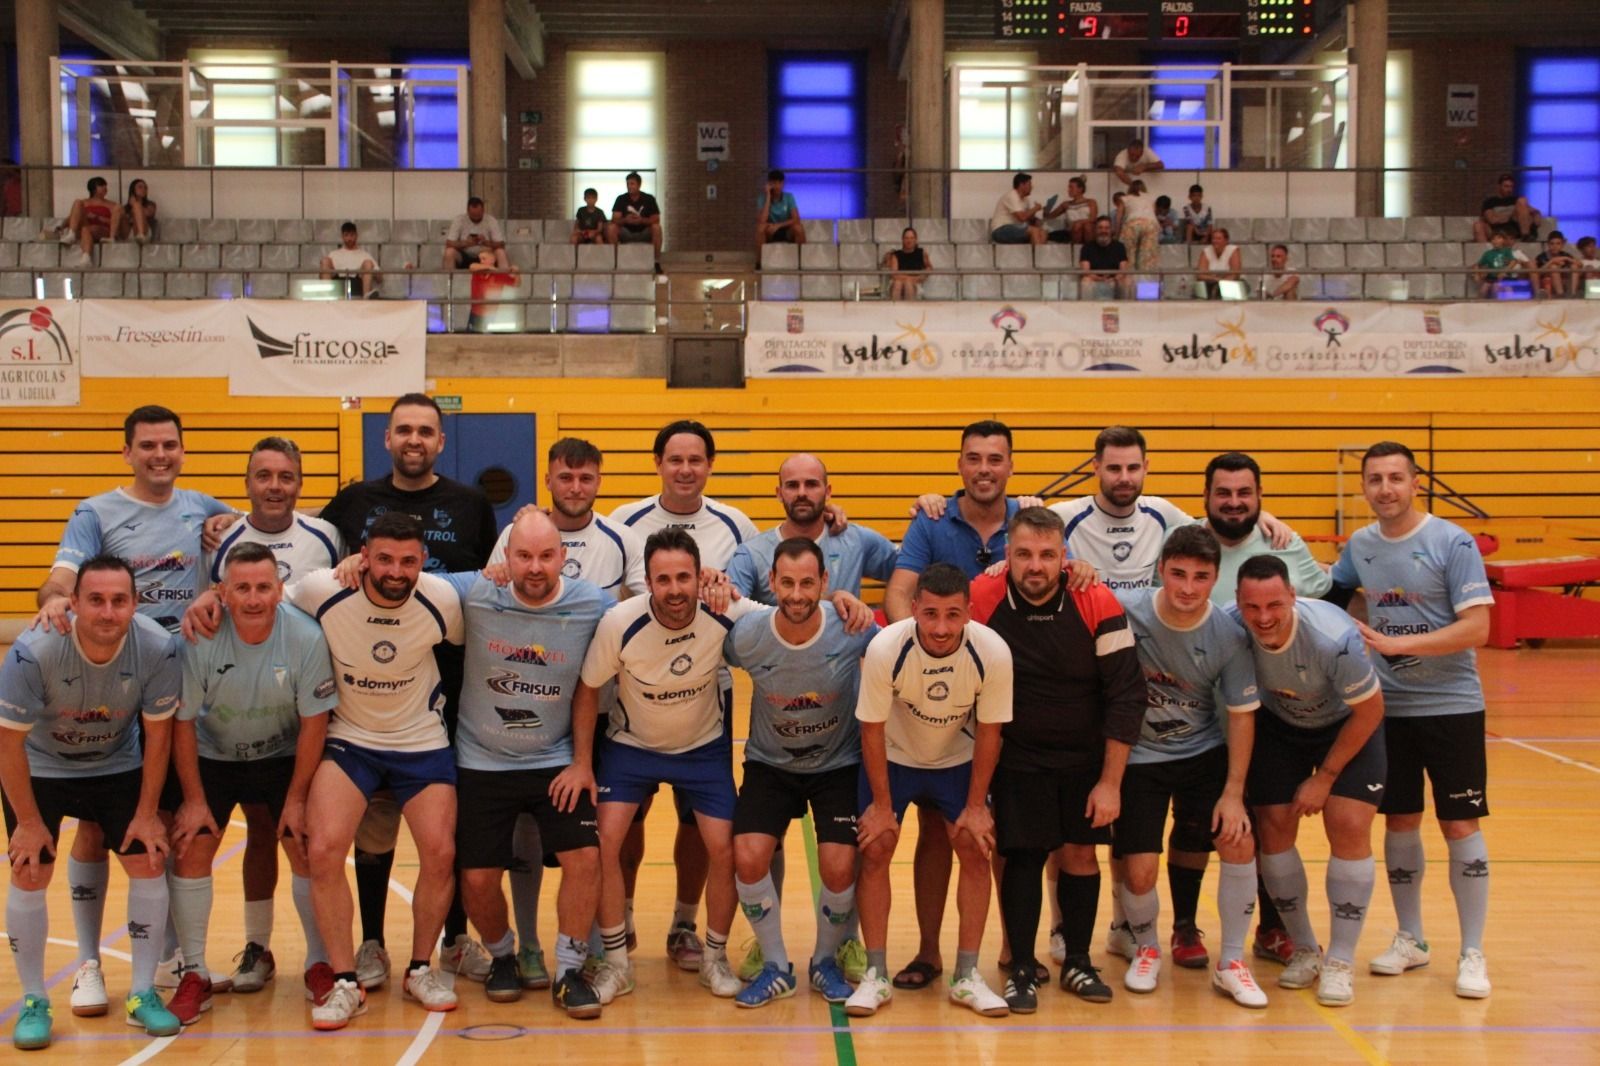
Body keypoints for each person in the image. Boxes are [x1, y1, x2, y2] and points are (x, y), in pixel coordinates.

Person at [315, 393, 497, 992]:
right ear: (387, 439)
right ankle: (368, 945)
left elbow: (491, 583)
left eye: (426, 431)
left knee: (443, 840)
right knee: (371, 834)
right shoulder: (353, 502)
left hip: (436, 696)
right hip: (360, 707)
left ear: (441, 441)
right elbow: (299, 562)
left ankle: (448, 947)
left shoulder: (470, 506)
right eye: (403, 431)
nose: (414, 440)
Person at [278, 512, 465, 1029]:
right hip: (351, 740)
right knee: (323, 849)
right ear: (363, 557)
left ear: (423, 561)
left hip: (421, 741)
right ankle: (344, 981)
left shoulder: (443, 599)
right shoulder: (323, 589)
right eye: (383, 558)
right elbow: (264, 599)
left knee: (441, 851)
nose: (396, 571)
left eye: (408, 560)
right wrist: (210, 600)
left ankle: (422, 967)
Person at [1328, 441, 1496, 1000]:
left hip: (1452, 707)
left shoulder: (1453, 541)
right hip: (1387, 709)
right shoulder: (1361, 545)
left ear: (1415, 482)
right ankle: (1411, 939)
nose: (1385, 489)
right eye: (1374, 479)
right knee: (1399, 822)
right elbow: (1332, 595)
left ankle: (1472, 950)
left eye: (1395, 478)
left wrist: (1401, 645)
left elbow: (1478, 629)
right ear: (1365, 487)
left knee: (1459, 826)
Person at [572, 530, 764, 1001]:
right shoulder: (620, 622)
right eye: (663, 579)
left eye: (684, 577)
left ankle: (715, 957)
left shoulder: (724, 609)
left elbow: (788, 622)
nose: (675, 589)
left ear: (701, 578)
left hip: (701, 749)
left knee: (726, 849)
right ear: (648, 582)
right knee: (604, 842)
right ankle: (616, 962)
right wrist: (582, 762)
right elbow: (587, 689)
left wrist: (844, 601)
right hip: (631, 747)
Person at [967, 508, 1145, 1013]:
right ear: (1008, 556)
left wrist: (1110, 783)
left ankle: (1079, 962)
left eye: (1047, 555)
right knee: (1022, 855)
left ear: (1065, 558)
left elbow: (1127, 695)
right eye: (1023, 554)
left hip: (1084, 759)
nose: (1035, 566)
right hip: (1017, 757)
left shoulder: (1095, 599)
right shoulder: (983, 597)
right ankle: (1021, 965)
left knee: (1080, 856)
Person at [1, 556, 183, 1047]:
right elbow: (7, 744)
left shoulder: (157, 648)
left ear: (135, 604)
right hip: (42, 766)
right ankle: (36, 999)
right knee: (30, 866)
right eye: (96, 600)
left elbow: (159, 736)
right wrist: (27, 822)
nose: (107, 612)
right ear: (73, 603)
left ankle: (143, 993)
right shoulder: (32, 652)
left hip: (115, 762)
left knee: (147, 856)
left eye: (119, 601)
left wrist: (147, 815)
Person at [441, 509, 610, 1018]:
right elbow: (404, 577)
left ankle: (568, 968)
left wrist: (583, 761)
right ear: (505, 558)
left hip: (556, 760)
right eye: (523, 556)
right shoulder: (475, 591)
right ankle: (502, 956)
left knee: (585, 860)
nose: (534, 567)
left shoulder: (592, 602)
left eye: (544, 556)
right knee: (475, 880)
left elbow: (663, 605)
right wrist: (356, 563)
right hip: (481, 761)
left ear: (563, 557)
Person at [163, 542, 337, 1024]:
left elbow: (313, 725)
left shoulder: (305, 637)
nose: (254, 598)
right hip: (213, 755)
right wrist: (195, 800)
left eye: (264, 587)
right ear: (222, 592)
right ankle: (194, 972)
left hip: (283, 755)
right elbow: (181, 723)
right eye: (242, 588)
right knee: (194, 843)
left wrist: (298, 799)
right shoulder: (198, 638)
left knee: (302, 843)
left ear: (280, 589)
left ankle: (318, 962)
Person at [610, 421, 758, 973]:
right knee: (629, 818)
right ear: (658, 463)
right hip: (636, 691)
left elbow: (753, 594)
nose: (686, 469)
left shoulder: (734, 524)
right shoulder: (625, 519)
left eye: (696, 459)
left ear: (709, 465)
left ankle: (683, 923)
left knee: (699, 824)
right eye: (675, 459)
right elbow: (626, 596)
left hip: (705, 694)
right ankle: (620, 917)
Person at [195, 436, 341, 996]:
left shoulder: (325, 535)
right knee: (257, 831)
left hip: (307, 705)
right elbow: (208, 598)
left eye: (285, 476)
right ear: (248, 481)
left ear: (300, 483)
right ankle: (257, 947)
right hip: (236, 707)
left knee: (300, 835)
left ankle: (320, 955)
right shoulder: (223, 534)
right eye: (264, 475)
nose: (275, 486)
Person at [844, 563, 1014, 1019]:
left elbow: (991, 733)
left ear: (969, 613)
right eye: (931, 614)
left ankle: (966, 975)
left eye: (953, 615)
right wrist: (881, 806)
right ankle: (876, 975)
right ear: (914, 609)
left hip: (955, 760)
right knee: (876, 845)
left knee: (975, 846)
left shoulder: (993, 652)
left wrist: (977, 806)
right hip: (895, 757)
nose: (941, 628)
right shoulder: (885, 647)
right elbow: (872, 731)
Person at [1113, 526, 1268, 1007]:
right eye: (1178, 574)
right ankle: (1147, 946)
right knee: (1138, 873)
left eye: (1201, 577)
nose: (1187, 587)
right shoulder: (1126, 613)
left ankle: (1233, 961)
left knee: (1237, 839)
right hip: (1137, 756)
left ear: (1215, 579)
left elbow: (1242, 715)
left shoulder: (1228, 634)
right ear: (1160, 570)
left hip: (1202, 751)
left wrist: (1234, 793)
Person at [723, 538, 877, 1007]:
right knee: (747, 855)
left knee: (838, 864)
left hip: (837, 764)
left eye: (807, 583)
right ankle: (775, 966)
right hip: (771, 764)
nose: (795, 594)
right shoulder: (748, 634)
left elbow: (898, 648)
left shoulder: (851, 628)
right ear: (771, 583)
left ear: (825, 584)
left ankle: (825, 960)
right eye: (786, 583)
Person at [1232, 554, 1387, 1008]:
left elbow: (1371, 710)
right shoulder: (1231, 628)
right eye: (1252, 607)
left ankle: (1340, 958)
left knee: (1349, 822)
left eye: (1274, 606)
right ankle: (1304, 947)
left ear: (1293, 597)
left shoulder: (1332, 639)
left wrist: (1326, 777)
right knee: (1274, 824)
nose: (1263, 618)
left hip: (1347, 725)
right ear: (1238, 604)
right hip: (1281, 727)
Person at [39, 405, 234, 637]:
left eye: (169, 445)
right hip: (124, 653)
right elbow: (61, 581)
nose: (160, 454)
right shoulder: (93, 513)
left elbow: (253, 523)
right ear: (127, 453)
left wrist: (229, 518)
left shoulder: (200, 505)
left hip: (188, 653)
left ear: (182, 453)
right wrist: (54, 600)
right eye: (148, 446)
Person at [726, 453, 898, 606]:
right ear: (779, 493)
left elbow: (912, 569)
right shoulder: (752, 554)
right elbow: (731, 614)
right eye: (792, 485)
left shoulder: (857, 541)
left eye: (811, 484)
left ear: (828, 492)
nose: (802, 493)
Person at [490, 437, 647, 598]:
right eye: (566, 478)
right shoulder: (514, 534)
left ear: (598, 482)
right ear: (548, 481)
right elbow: (489, 597)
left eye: (585, 479)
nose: (576, 488)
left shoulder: (623, 539)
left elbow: (653, 598)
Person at [1204, 452, 1330, 602]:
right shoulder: (1179, 543)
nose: (1234, 502)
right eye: (1223, 493)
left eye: (1244, 493)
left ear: (1259, 494)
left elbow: (1329, 598)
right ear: (1206, 495)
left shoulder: (1287, 543)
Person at [443, 196, 510, 271]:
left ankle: (505, 279)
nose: (476, 218)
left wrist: (485, 242)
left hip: (486, 255)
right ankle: (448, 280)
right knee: (449, 252)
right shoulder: (459, 220)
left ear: (483, 210)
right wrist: (466, 243)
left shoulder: (491, 221)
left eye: (478, 215)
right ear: (468, 211)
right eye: (473, 216)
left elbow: (501, 244)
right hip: (465, 255)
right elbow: (449, 243)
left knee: (500, 252)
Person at [1472, 172, 1541, 243]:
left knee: (1522, 200)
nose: (1509, 190)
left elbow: (1533, 212)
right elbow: (1492, 220)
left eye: (1511, 187)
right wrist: (1512, 215)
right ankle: (1487, 253)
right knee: (1478, 225)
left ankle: (1526, 235)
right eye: (1506, 186)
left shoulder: (1518, 201)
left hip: (1514, 230)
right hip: (1497, 231)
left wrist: (1536, 214)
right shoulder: (1490, 202)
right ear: (1499, 186)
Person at [608, 171, 662, 258]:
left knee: (657, 228)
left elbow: (656, 219)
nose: (629, 186)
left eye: (632, 184)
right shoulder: (621, 199)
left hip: (644, 232)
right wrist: (626, 220)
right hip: (626, 233)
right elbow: (614, 219)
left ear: (639, 185)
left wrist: (641, 220)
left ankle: (656, 262)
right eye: (628, 184)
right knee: (611, 228)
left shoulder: (649, 198)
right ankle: (615, 260)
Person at [319, 222, 380, 299]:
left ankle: (366, 296)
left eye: (352, 235)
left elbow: (379, 278)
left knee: (368, 263)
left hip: (357, 283)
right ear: (342, 236)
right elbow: (321, 276)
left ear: (356, 236)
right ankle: (326, 296)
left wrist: (369, 272)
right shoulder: (333, 254)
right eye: (346, 235)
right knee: (325, 260)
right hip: (337, 283)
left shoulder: (365, 255)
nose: (349, 239)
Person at [467, 249, 521, 333]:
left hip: (491, 314)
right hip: (476, 312)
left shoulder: (499, 275)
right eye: (480, 259)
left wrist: (517, 272)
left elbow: (516, 284)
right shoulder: (477, 272)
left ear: (492, 260)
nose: (481, 261)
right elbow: (472, 266)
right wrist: (490, 267)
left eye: (484, 259)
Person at [59, 175, 115, 257]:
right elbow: (71, 218)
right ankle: (72, 235)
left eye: (105, 185)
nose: (105, 187)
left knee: (87, 229)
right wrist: (61, 227)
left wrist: (97, 217)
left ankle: (85, 256)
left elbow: (115, 223)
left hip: (101, 230)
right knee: (78, 202)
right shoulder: (83, 203)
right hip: (85, 228)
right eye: (101, 185)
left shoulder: (111, 205)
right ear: (94, 188)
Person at [1078, 215, 1129, 301]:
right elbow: (1085, 271)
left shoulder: (1120, 247)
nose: (1103, 231)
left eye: (1106, 228)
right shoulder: (1087, 247)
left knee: (1127, 281)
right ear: (1095, 230)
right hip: (1094, 280)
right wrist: (1100, 279)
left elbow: (1123, 270)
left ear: (1111, 230)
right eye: (1100, 228)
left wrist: (1113, 279)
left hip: (1114, 280)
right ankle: (1087, 309)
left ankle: (1126, 309)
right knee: (1085, 281)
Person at [990, 172, 1046, 246]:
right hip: (1000, 230)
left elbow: (1028, 218)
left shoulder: (1025, 199)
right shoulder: (1012, 196)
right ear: (1021, 185)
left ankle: (1036, 256)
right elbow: (1022, 217)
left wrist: (1036, 217)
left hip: (1016, 228)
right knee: (1034, 231)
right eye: (1029, 184)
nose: (1032, 187)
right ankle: (1038, 256)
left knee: (1043, 232)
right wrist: (1035, 208)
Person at [756, 169, 806, 249]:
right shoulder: (762, 198)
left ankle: (800, 259)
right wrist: (768, 196)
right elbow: (762, 220)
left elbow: (796, 219)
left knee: (799, 228)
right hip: (770, 231)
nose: (778, 186)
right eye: (775, 183)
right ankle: (760, 261)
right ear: (769, 184)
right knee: (760, 228)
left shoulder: (789, 197)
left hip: (786, 231)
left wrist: (778, 225)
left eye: (780, 183)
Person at [1119, 180, 1160, 275]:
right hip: (1150, 224)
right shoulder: (1151, 198)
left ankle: (1129, 279)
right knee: (1147, 258)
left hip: (1132, 223)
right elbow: (1153, 214)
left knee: (1128, 254)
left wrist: (1117, 234)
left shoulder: (1125, 198)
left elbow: (1119, 217)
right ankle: (1146, 282)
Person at [1473, 231, 1530, 298]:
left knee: (1497, 287)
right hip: (1491, 278)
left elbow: (1513, 261)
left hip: (1505, 278)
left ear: (1503, 240)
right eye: (1493, 239)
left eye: (1498, 238)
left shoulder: (1507, 251)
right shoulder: (1487, 253)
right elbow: (1477, 264)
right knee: (1483, 290)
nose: (1496, 241)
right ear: (1491, 241)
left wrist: (1504, 271)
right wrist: (1477, 274)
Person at [1045, 175, 1098, 245]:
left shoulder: (1091, 202)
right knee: (1077, 227)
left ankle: (1090, 250)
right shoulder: (1066, 204)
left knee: (1087, 226)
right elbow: (1050, 216)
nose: (1068, 190)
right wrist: (1047, 207)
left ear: (1080, 189)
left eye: (1071, 187)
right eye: (1068, 187)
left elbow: (1093, 218)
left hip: (1088, 229)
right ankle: (1076, 250)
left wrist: (1079, 222)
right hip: (1073, 230)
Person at [884, 227, 931, 301]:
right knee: (898, 284)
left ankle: (910, 311)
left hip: (915, 284)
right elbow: (894, 275)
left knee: (908, 285)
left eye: (912, 238)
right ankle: (895, 311)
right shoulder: (896, 255)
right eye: (906, 238)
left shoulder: (922, 253)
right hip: (898, 281)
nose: (909, 241)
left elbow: (929, 268)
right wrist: (911, 279)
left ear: (915, 240)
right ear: (902, 240)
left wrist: (921, 277)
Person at [1195, 227, 1243, 299]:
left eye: (1219, 238)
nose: (1215, 241)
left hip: (1230, 286)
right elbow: (1200, 275)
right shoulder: (1206, 251)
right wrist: (1216, 280)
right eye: (1214, 238)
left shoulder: (1233, 250)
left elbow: (1235, 274)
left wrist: (1220, 283)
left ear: (1226, 240)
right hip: (1210, 286)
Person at [1535, 231, 1580, 297]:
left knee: (1574, 266)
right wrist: (1552, 261)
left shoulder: (1565, 255)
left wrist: (1567, 258)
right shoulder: (1541, 257)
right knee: (1554, 267)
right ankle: (1560, 295)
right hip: (1548, 282)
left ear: (1562, 245)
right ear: (1548, 244)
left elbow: (1580, 264)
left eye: (1558, 244)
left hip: (1564, 280)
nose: (1555, 246)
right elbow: (1537, 273)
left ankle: (1573, 294)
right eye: (1552, 244)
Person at [116, 178, 158, 243]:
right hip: (128, 232)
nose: (143, 189)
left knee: (137, 205)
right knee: (118, 207)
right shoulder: (126, 207)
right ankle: (111, 237)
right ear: (133, 190)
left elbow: (149, 213)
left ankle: (141, 235)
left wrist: (135, 205)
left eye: (145, 188)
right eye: (140, 187)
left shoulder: (150, 204)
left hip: (145, 232)